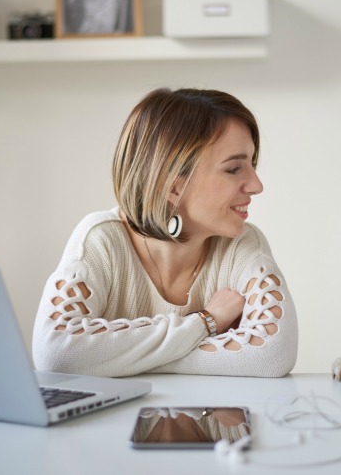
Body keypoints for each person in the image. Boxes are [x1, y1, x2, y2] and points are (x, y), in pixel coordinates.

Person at [32, 87, 297, 377]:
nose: (256, 185)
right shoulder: (101, 241)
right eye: (234, 169)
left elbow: (272, 356)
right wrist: (206, 323)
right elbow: (56, 354)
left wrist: (123, 359)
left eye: (252, 164)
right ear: (173, 186)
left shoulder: (243, 245)